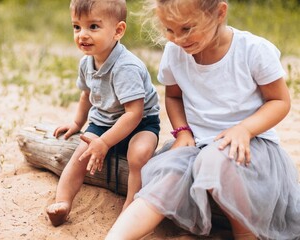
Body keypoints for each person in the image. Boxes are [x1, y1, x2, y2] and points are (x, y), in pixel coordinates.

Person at [106, 0, 300, 239]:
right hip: (196, 145)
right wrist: (183, 131)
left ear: (219, 13)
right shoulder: (175, 51)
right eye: (169, 29)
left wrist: (245, 129)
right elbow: (174, 97)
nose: (178, 38)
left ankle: (246, 233)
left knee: (215, 160)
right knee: (167, 175)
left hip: (250, 147)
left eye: (186, 28)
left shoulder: (253, 50)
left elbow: (280, 101)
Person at [46, 0, 161, 227]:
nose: (83, 35)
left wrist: (105, 143)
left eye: (93, 27)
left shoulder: (126, 67)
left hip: (141, 124)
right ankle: (63, 201)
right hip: (103, 120)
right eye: (77, 27)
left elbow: (134, 114)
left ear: (118, 31)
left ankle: (130, 205)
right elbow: (86, 95)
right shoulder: (86, 63)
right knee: (79, 156)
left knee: (139, 155)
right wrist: (77, 122)